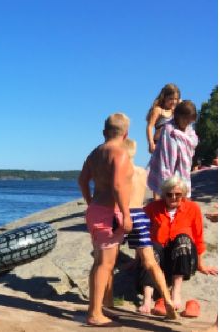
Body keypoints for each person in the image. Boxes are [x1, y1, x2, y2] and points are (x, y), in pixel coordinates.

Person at [78, 113, 133, 327]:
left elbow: (82, 180)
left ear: (104, 132)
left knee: (100, 262)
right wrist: (126, 215)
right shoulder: (120, 153)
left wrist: (90, 201)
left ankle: (98, 308)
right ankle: (94, 313)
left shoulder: (95, 153)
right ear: (126, 133)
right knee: (105, 264)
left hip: (96, 209)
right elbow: (118, 185)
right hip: (109, 212)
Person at [138, 176, 217, 312]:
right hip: (159, 257)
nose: (173, 197)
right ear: (164, 194)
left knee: (183, 239)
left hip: (182, 257)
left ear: (184, 194)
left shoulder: (193, 208)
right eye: (169, 194)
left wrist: (200, 264)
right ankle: (147, 299)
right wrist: (137, 259)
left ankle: (176, 292)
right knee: (152, 246)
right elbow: (141, 234)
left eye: (178, 194)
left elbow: (198, 237)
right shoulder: (152, 208)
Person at [122, 139, 177, 319]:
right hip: (139, 214)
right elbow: (155, 188)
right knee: (151, 262)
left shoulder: (120, 172)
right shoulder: (141, 172)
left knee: (107, 260)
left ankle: (105, 301)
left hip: (123, 214)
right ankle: (168, 301)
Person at [147, 100, 198, 199]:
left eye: (190, 120)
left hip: (184, 171)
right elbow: (166, 159)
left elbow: (193, 141)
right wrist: (167, 183)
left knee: (184, 201)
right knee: (171, 199)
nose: (187, 123)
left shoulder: (189, 129)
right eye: (185, 119)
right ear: (178, 116)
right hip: (170, 171)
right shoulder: (169, 130)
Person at [146, 84, 180, 154]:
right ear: (164, 98)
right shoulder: (158, 110)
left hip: (172, 145)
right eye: (171, 99)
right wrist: (151, 142)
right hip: (159, 143)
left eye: (176, 99)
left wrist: (180, 103)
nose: (174, 102)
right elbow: (150, 126)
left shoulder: (175, 112)